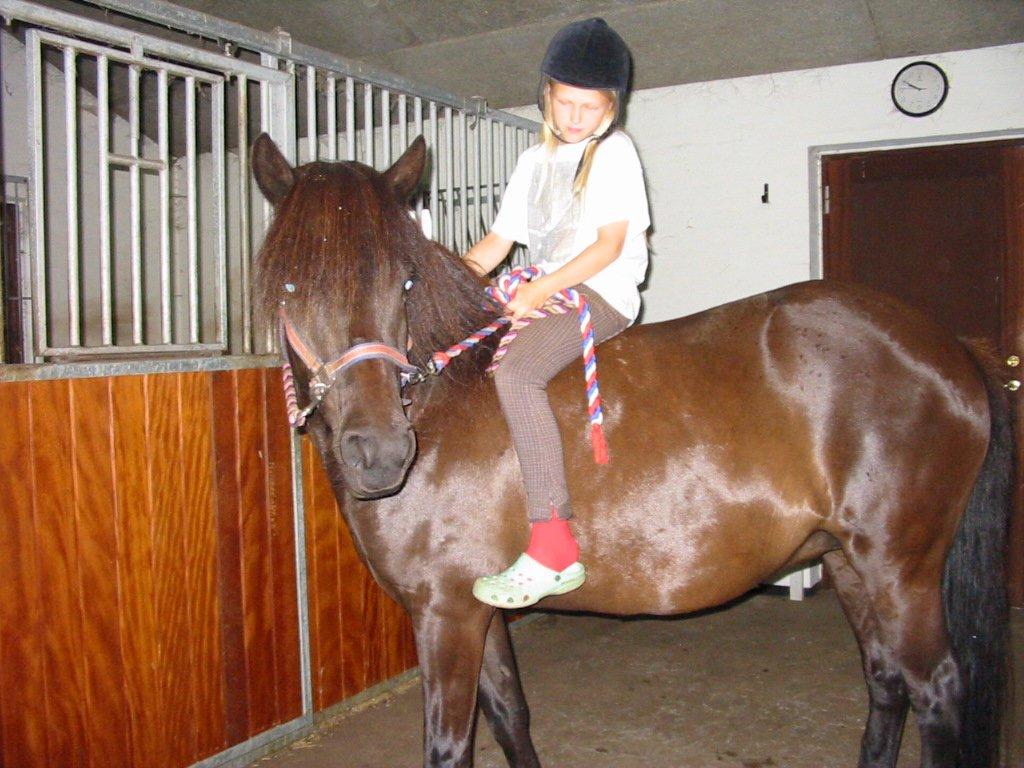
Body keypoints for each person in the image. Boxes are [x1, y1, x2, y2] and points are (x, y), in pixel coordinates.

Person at [464, 17, 651, 609]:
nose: (575, 117)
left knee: (516, 373)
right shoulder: (531, 163)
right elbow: (496, 246)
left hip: (601, 292)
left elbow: (609, 246)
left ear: (610, 109)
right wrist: (450, 280)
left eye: (589, 107)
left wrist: (541, 289)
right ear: (547, 96)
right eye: (566, 103)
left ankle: (552, 546)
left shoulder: (614, 153)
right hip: (547, 289)